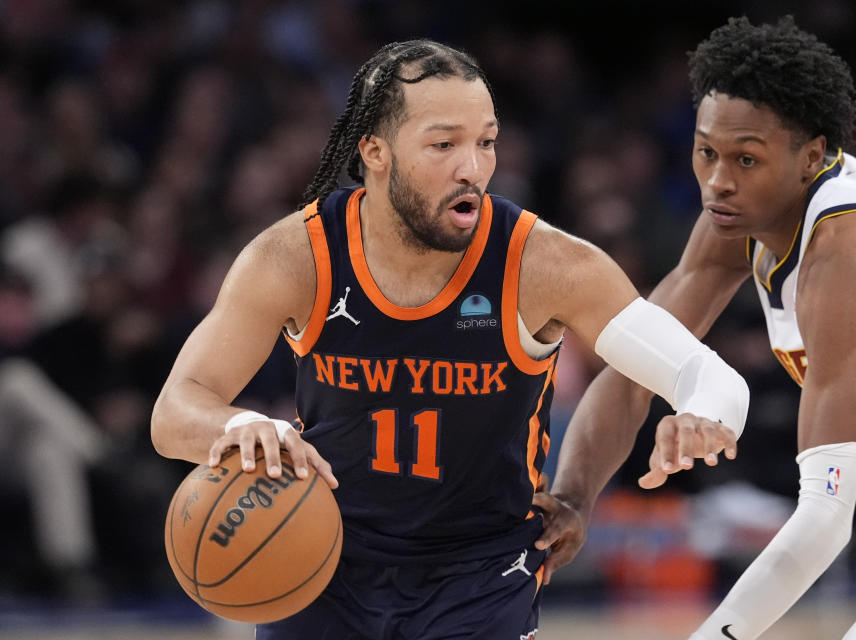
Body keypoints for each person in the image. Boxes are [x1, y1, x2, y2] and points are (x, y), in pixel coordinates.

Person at [150, 39, 749, 640]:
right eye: (444, 145)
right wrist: (239, 427)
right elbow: (175, 411)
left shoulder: (545, 264)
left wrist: (702, 414)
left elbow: (707, 374)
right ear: (375, 151)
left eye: (485, 142)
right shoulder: (296, 256)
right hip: (320, 558)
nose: (474, 167)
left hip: (481, 572)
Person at [535, 16, 856, 640]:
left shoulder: (851, 251)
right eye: (706, 151)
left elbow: (824, 519)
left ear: (812, 155)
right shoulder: (736, 219)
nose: (718, 181)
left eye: (746, 159)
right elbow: (634, 377)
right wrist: (572, 499)